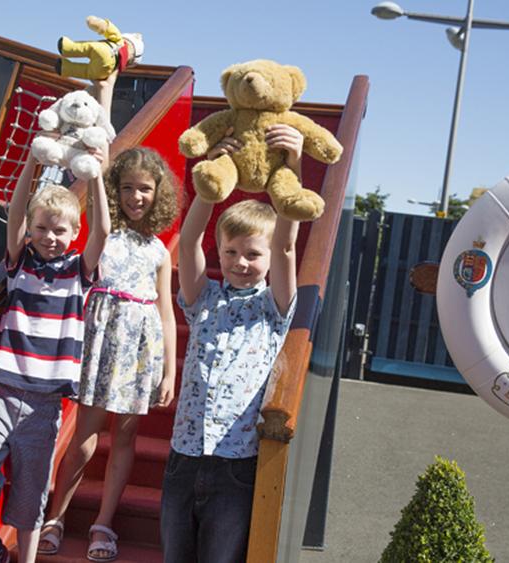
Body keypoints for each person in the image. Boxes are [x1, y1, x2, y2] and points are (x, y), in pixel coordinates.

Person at [160, 125, 304, 563]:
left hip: (237, 463)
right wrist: (212, 178)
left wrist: (292, 167)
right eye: (230, 253)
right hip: (184, 458)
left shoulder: (274, 306)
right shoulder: (204, 300)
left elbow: (285, 247)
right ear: (219, 252)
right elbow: (186, 241)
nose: (240, 262)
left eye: (251, 254)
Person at [0, 141, 111, 563]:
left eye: (60, 230)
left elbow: (102, 232)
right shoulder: (20, 263)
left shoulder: (79, 271)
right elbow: (15, 213)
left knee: (30, 495)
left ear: (74, 233)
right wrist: (32, 159)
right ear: (31, 230)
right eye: (42, 228)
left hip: (45, 402)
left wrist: (96, 175)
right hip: (2, 390)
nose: (50, 237)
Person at [38, 146, 183, 562]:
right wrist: (97, 170)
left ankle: (104, 522)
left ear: (159, 194)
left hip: (141, 351)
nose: (136, 197)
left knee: (125, 435)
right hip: (101, 343)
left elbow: (166, 312)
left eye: (145, 189)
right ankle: (57, 516)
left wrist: (169, 371)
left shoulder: (158, 250)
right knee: (85, 436)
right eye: (127, 188)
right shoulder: (104, 235)